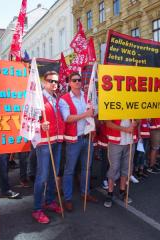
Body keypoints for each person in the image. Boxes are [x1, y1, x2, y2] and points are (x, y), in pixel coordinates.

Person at [59, 72, 98, 212]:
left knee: (86, 168)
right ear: (69, 83)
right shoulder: (64, 99)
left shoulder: (87, 96)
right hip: (74, 139)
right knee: (69, 170)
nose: (77, 82)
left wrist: (93, 111)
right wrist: (85, 115)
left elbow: (95, 112)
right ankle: (68, 199)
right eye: (74, 80)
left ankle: (85, 193)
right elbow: (67, 118)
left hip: (87, 137)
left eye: (79, 80)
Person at [32, 71, 65, 224]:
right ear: (44, 82)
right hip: (44, 143)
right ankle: (37, 209)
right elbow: (27, 119)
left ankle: (49, 200)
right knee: (42, 176)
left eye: (56, 82)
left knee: (53, 173)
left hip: (57, 141)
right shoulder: (38, 99)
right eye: (51, 81)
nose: (54, 84)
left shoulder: (56, 99)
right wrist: (40, 124)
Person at [104, 119, 138, 208]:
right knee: (114, 167)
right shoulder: (114, 104)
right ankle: (110, 193)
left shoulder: (133, 104)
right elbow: (108, 123)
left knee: (126, 167)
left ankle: (122, 191)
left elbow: (139, 118)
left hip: (130, 141)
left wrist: (136, 122)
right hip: (115, 141)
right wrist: (125, 129)